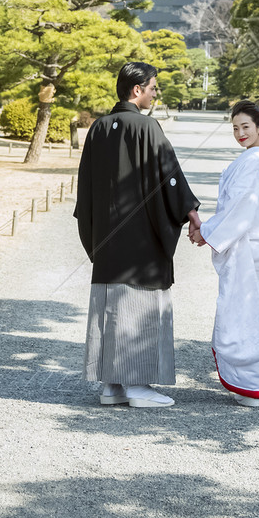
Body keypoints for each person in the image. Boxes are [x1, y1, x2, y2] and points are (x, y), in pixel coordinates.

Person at [76, 61, 200, 408]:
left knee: (111, 304)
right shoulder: (147, 128)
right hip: (140, 239)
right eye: (153, 88)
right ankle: (137, 386)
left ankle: (111, 385)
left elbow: (85, 186)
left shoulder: (98, 128)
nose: (155, 93)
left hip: (105, 235)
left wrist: (92, 231)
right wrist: (191, 214)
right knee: (138, 305)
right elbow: (169, 175)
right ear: (137, 90)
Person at [189, 100, 259, 408]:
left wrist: (206, 231)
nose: (240, 133)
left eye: (245, 127)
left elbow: (240, 209)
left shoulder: (253, 163)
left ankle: (254, 386)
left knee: (245, 316)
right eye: (235, 128)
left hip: (247, 252)